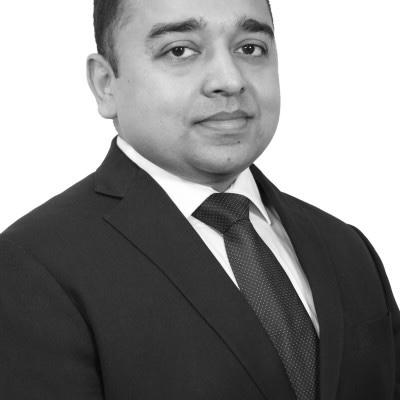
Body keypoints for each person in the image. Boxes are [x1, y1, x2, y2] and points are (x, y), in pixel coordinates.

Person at [0, 0, 398, 398]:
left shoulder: (346, 247)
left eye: (250, 48)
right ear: (106, 84)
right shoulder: (32, 269)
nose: (230, 80)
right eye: (179, 50)